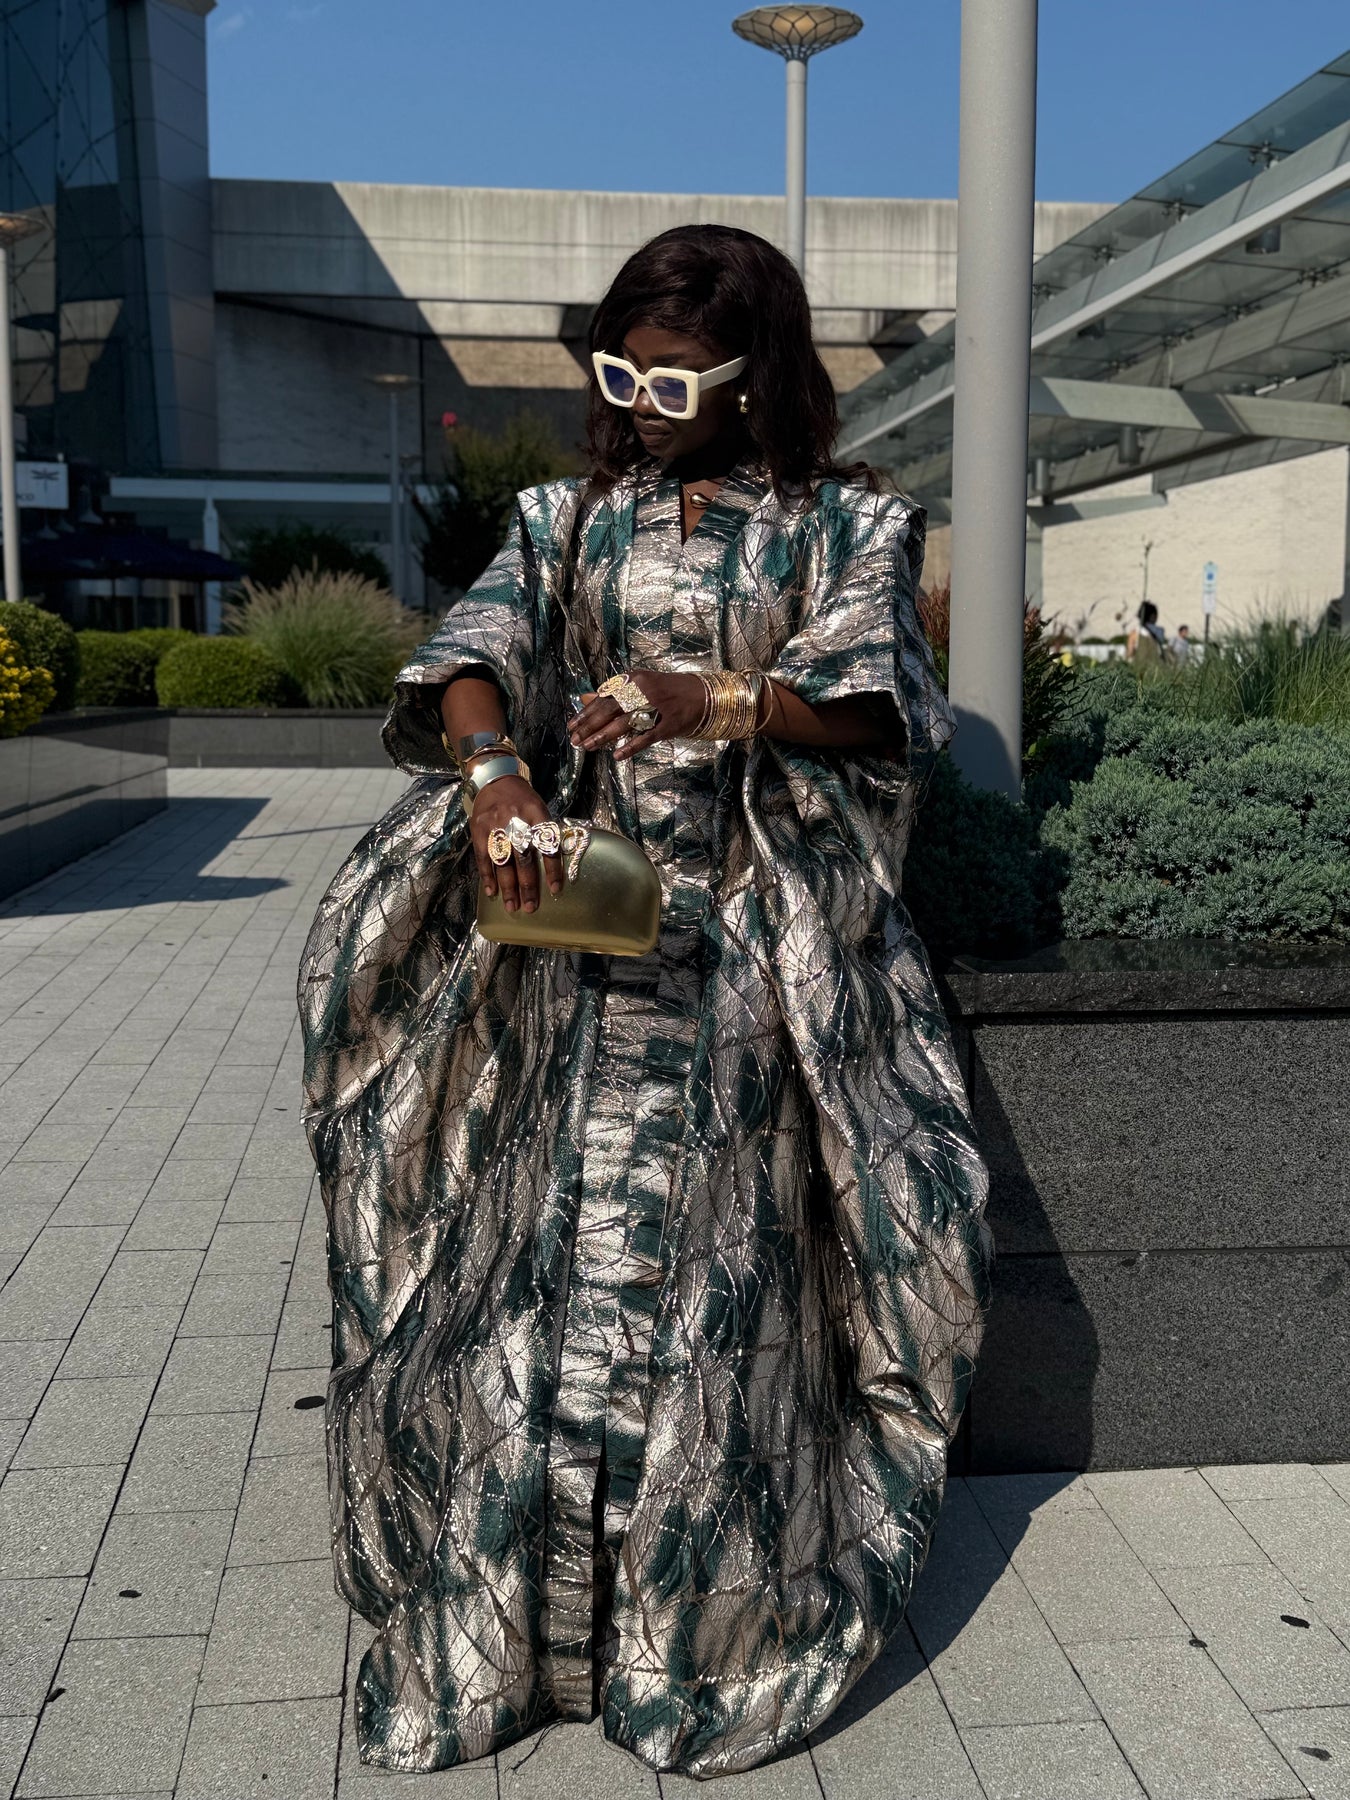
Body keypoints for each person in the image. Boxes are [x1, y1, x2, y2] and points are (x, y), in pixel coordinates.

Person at [299, 224, 991, 1781]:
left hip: (742, 949)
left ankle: (685, 1642)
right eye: (620, 374)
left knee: (704, 1297)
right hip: (573, 932)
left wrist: (719, 698)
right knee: (527, 1279)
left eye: (675, 380)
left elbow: (878, 710)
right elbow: (474, 652)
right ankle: (514, 1643)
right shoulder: (567, 519)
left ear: (757, 375)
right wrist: (493, 776)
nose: (642, 404)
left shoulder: (847, 527)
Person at [1127, 599, 1170, 665]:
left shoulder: (1135, 632)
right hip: (1155, 665)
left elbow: (1130, 653)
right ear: (1153, 616)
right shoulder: (1159, 631)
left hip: (1140, 665)